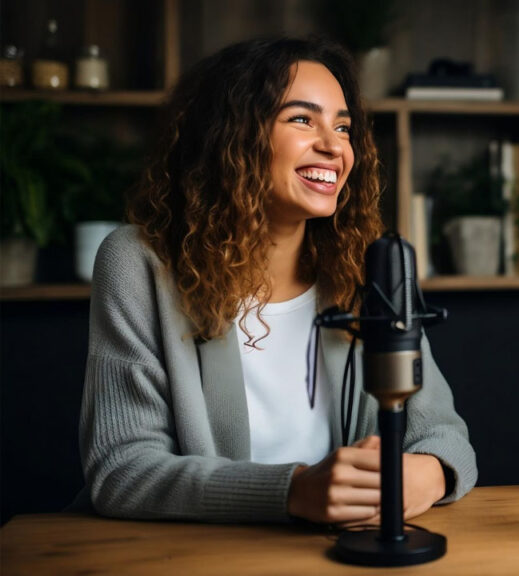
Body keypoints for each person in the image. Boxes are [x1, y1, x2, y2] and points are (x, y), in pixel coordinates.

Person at [78, 36, 477, 524]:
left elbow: (445, 435)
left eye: (344, 127)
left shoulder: (368, 271)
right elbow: (123, 470)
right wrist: (291, 492)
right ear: (233, 136)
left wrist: (429, 473)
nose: (334, 146)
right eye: (302, 119)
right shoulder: (139, 263)